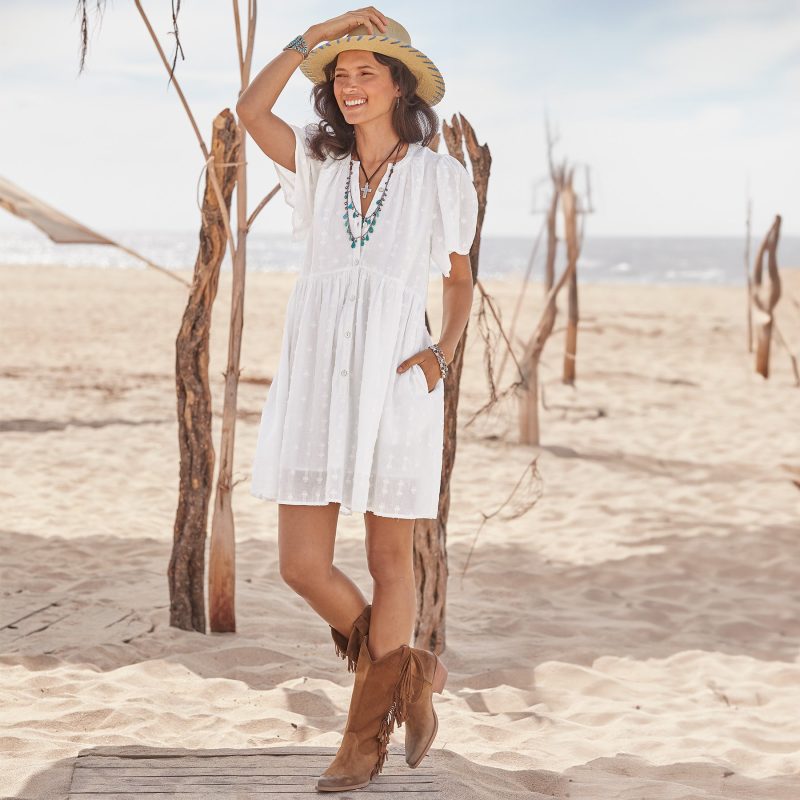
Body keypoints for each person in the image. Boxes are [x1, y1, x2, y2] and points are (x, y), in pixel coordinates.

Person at [236, 7, 478, 792]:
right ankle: (410, 675)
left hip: (398, 378)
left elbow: (460, 279)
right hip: (317, 377)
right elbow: (250, 110)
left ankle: (362, 740)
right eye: (340, 75)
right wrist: (318, 34)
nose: (349, 85)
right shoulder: (320, 164)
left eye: (366, 71)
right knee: (301, 564)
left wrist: (441, 353)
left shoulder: (440, 176)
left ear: (400, 85)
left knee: (387, 560)